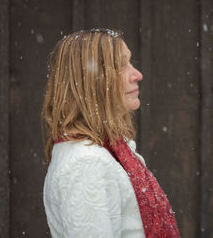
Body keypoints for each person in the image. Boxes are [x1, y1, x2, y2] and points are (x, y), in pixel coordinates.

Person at [42, 29, 180, 238]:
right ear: (92, 81)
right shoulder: (85, 163)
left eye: (130, 62)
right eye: (121, 66)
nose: (137, 75)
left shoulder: (105, 151)